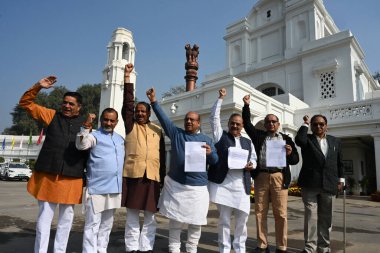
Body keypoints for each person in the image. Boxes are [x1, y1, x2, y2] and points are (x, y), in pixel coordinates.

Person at [19, 77, 88, 253]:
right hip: (49, 174)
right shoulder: (51, 116)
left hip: (72, 177)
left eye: (71, 104)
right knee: (44, 219)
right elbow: (26, 103)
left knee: (66, 220)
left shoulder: (85, 124)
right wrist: (38, 87)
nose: (67, 106)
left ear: (79, 107)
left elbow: (89, 150)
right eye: (65, 103)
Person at [146, 87, 218, 253]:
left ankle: (191, 249)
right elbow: (164, 120)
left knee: (196, 222)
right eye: (187, 119)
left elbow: (215, 161)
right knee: (175, 221)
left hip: (198, 189)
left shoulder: (206, 140)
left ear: (199, 123)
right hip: (176, 186)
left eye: (192, 120)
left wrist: (210, 153)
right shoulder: (177, 134)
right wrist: (154, 101)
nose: (189, 122)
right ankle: (174, 249)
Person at [242, 94, 299, 253]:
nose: (271, 123)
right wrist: (246, 106)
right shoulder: (259, 136)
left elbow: (295, 159)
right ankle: (262, 244)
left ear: (278, 124)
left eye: (274, 121)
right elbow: (247, 124)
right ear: (265, 124)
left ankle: (281, 246)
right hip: (261, 176)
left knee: (280, 213)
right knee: (260, 211)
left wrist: (289, 153)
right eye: (268, 121)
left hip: (279, 177)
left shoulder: (286, 139)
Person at [121, 64, 166, 253]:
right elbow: (128, 104)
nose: (139, 113)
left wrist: (162, 179)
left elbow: (162, 156)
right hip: (134, 175)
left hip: (153, 178)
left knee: (150, 216)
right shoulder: (130, 125)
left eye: (143, 111)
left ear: (149, 113)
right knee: (132, 215)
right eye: (137, 111)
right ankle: (132, 248)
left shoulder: (158, 129)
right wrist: (127, 78)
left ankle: (146, 247)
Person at [208, 88, 257, 253]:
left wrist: (252, 165)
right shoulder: (220, 136)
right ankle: (224, 249)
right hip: (223, 185)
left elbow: (255, 159)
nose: (235, 125)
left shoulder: (247, 142)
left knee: (242, 219)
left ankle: (239, 248)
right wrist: (220, 99)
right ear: (228, 124)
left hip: (242, 186)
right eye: (232, 123)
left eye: (238, 124)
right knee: (224, 221)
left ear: (242, 126)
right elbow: (214, 118)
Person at [75, 108, 125, 253]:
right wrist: (85, 128)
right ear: (101, 120)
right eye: (105, 119)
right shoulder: (93, 136)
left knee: (107, 224)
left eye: (111, 120)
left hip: (115, 188)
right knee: (92, 225)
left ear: (116, 122)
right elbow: (81, 145)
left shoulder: (120, 139)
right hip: (97, 188)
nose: (108, 123)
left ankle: (101, 249)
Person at [295, 115, 344, 253]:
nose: (318, 127)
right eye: (315, 124)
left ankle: (324, 248)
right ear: (311, 126)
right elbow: (299, 140)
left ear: (326, 125)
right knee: (311, 216)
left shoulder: (335, 141)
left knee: (326, 218)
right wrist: (304, 124)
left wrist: (341, 180)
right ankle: (310, 248)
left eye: (321, 124)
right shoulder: (307, 140)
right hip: (310, 184)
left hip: (329, 184)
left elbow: (340, 163)